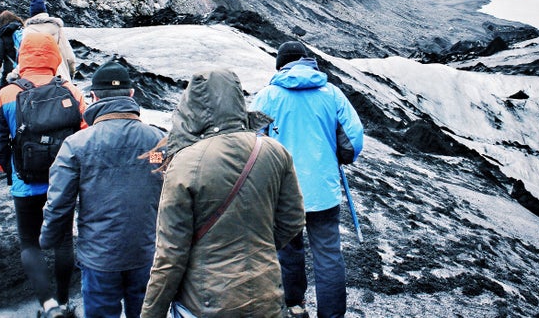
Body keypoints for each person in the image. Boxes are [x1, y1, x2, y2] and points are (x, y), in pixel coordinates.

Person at [141, 69, 305, 318]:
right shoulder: (275, 151)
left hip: (204, 302)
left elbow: (170, 254)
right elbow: (293, 219)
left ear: (191, 105)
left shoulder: (184, 162)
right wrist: (257, 249)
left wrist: (151, 313)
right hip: (265, 296)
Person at [40, 61, 166, 318]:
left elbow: (59, 203)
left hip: (100, 257)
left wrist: (47, 238)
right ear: (131, 94)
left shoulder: (76, 145)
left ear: (93, 97)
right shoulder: (158, 140)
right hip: (147, 252)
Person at [250, 41, 364, 318]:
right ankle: (332, 314)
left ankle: (294, 306)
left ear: (281, 65)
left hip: (282, 193)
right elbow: (353, 138)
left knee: (287, 251)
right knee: (328, 255)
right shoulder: (332, 93)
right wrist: (339, 156)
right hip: (323, 191)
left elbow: (251, 143)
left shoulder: (268, 96)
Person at [0, 32, 87, 318]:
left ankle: (49, 306)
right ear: (54, 55)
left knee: (30, 243)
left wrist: (12, 172)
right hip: (63, 183)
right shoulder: (72, 91)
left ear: (22, 56)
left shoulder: (6, 94)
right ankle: (65, 301)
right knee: (64, 240)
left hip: (25, 184)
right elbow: (84, 135)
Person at [24, 0, 76, 81]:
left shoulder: (27, 32)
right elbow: (70, 57)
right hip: (60, 78)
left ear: (31, 14)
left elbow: (23, 58)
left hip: (35, 81)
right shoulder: (57, 29)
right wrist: (71, 74)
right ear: (45, 11)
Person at [0, 10, 24, 96]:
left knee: (5, 105)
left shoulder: (2, 35)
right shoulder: (24, 30)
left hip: (9, 77)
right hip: (26, 75)